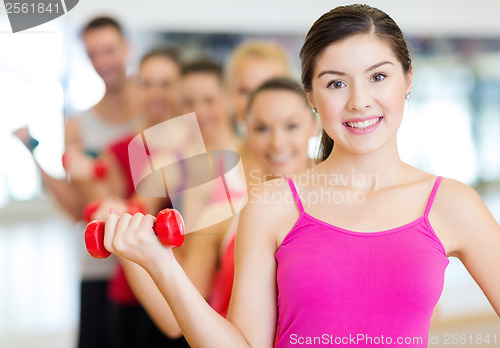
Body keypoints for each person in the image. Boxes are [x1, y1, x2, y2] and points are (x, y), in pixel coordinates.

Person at [102, 5, 500, 348]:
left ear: (407, 80)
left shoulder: (453, 204)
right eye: (336, 83)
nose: (359, 100)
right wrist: (160, 263)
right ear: (310, 96)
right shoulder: (272, 204)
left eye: (378, 76)